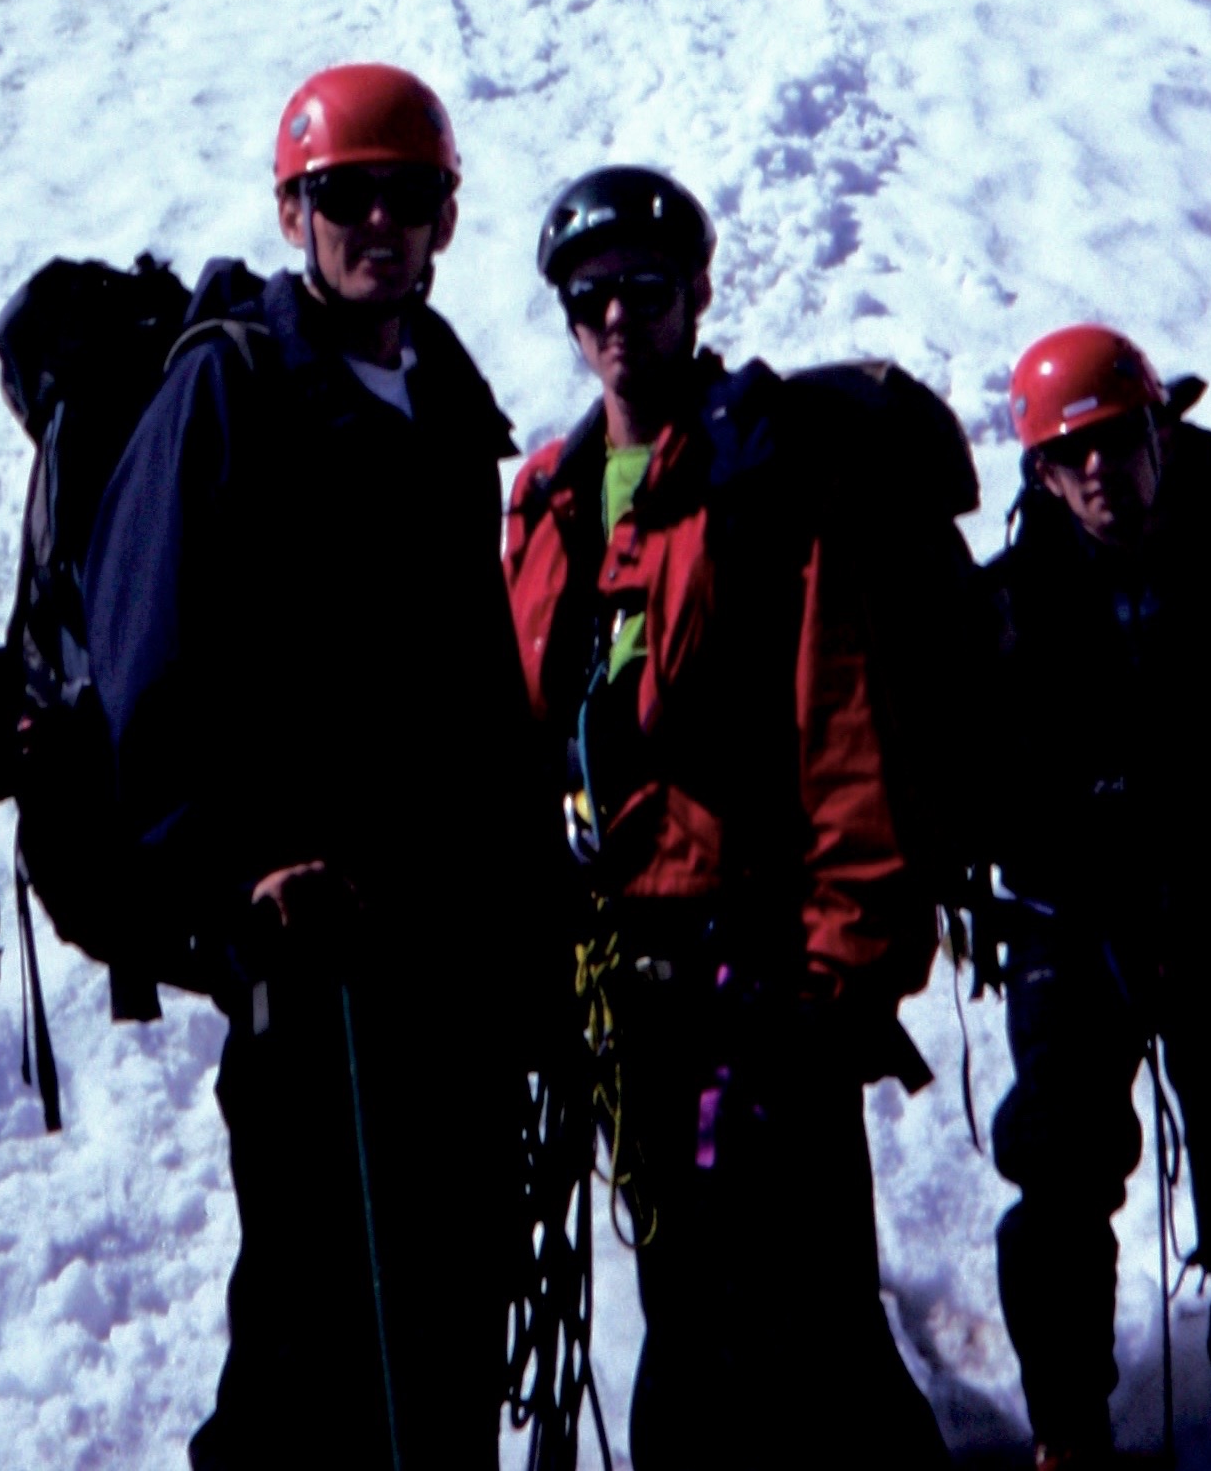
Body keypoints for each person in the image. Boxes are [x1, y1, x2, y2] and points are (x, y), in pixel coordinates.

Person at [84, 61, 538, 1471]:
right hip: (315, 963)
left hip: (453, 958)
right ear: (294, 212)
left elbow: (480, 684)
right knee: (312, 1345)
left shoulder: (446, 402)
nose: (378, 223)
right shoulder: (227, 389)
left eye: (409, 196)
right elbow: (146, 669)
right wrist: (238, 874)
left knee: (453, 1324)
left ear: (445, 216)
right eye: (346, 196)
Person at [504, 164, 947, 1471]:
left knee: (806, 1316)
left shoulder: (764, 471)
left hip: (760, 969)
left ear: (695, 292)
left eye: (644, 287)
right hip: (622, 979)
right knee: (691, 1302)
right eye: (589, 294)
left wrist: (842, 962)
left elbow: (840, 719)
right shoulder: (547, 494)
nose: (616, 315)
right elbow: (519, 730)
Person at [989, 325, 1211, 1471]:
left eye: (1112, 441)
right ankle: (1066, 1427)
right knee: (1057, 1162)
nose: (1097, 470)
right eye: (1070, 456)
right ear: (1042, 474)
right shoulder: (1014, 604)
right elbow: (989, 787)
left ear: (1156, 431)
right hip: (1075, 920)